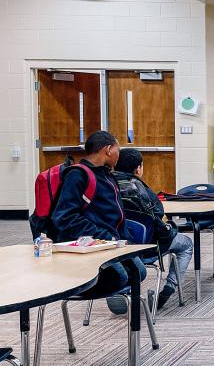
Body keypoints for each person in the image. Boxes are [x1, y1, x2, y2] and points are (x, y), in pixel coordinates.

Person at [50, 131, 146, 315]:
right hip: (92, 246)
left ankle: (119, 294)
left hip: (113, 242)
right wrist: (104, 236)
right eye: (118, 149)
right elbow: (64, 218)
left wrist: (124, 240)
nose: (119, 155)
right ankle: (115, 293)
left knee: (139, 272)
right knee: (121, 277)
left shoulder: (107, 175)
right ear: (108, 150)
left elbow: (116, 214)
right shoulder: (77, 176)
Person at [114, 148, 193, 311]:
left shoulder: (106, 184)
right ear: (138, 168)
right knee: (186, 244)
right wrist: (170, 229)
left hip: (115, 246)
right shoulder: (138, 187)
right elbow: (157, 214)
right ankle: (169, 289)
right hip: (148, 247)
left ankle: (121, 290)